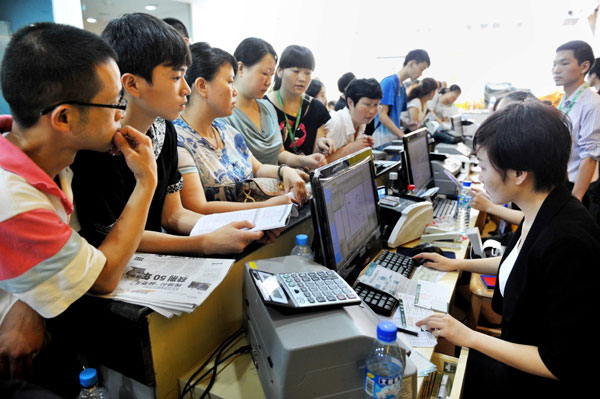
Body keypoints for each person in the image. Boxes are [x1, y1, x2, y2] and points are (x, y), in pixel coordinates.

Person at [0, 22, 157, 381]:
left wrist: (29, 302)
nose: (122, 113)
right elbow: (103, 276)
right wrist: (146, 182)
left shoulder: (49, 157)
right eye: (115, 102)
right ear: (65, 118)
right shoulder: (12, 197)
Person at [415, 101, 599, 398]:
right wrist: (456, 265)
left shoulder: (568, 242)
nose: (481, 176)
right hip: (519, 356)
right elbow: (520, 263)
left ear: (519, 174)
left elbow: (560, 363)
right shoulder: (546, 208)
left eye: (484, 167)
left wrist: (469, 336)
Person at [71, 13, 263, 256]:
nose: (185, 88)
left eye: (185, 75)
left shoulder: (164, 130)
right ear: (132, 84)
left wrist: (229, 229)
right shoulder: (97, 145)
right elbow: (112, 234)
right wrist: (203, 242)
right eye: (175, 77)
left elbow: (173, 214)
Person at [173, 42, 307, 215]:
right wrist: (266, 207)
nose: (234, 91)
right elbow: (198, 207)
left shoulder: (226, 131)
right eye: (229, 82)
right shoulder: (178, 139)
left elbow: (257, 169)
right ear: (202, 86)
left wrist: (285, 171)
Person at [224, 37, 326, 169]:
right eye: (264, 73)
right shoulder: (224, 113)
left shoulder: (267, 108)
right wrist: (282, 172)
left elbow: (280, 153)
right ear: (241, 68)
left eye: (271, 74)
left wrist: (304, 160)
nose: (268, 82)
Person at [553, 40, 600, 205]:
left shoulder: (592, 102)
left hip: (579, 187)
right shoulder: (565, 100)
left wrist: (576, 198)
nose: (556, 70)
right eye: (554, 64)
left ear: (584, 67)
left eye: (564, 63)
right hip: (562, 182)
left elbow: (590, 155)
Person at [265, 45, 334, 157]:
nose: (302, 78)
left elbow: (316, 157)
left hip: (305, 173)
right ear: (279, 71)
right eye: (296, 71)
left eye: (308, 73)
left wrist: (321, 146)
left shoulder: (317, 108)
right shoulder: (264, 105)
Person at [372, 49, 430, 147]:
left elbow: (395, 117)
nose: (421, 74)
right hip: (382, 141)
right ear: (411, 63)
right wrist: (401, 134)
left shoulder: (402, 87)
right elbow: (382, 115)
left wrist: (407, 125)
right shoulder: (389, 82)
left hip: (393, 139)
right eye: (421, 69)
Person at [324, 78, 381, 162]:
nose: (372, 111)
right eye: (367, 104)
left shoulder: (361, 121)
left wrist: (363, 142)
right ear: (350, 103)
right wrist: (350, 149)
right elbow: (320, 163)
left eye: (376, 105)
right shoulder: (337, 124)